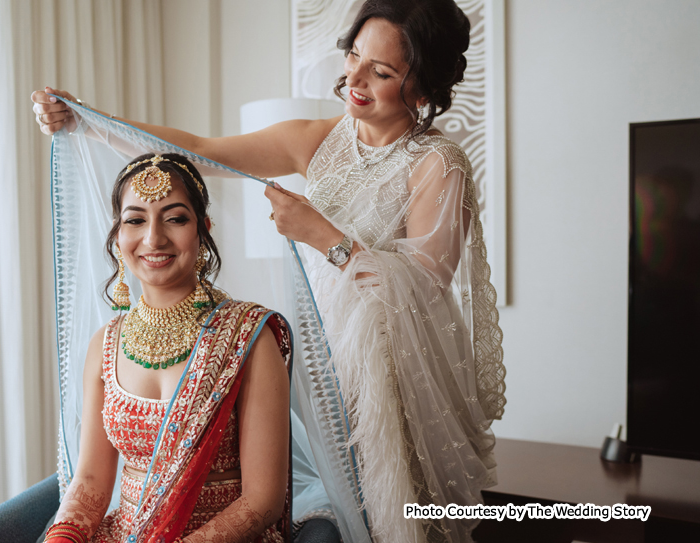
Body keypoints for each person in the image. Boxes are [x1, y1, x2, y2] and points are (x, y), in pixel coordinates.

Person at [33, 1, 505, 541]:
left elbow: (423, 289)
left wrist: (321, 235)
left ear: (421, 89)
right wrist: (88, 120)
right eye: (353, 56)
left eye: (381, 72)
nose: (354, 78)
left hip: (395, 374)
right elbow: (197, 150)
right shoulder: (317, 139)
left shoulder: (438, 163)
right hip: (321, 362)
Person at [42, 153, 292, 543]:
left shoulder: (248, 336)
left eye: (175, 218)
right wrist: (64, 537)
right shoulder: (105, 344)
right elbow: (91, 480)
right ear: (118, 235)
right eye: (135, 220)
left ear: (203, 229)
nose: (153, 238)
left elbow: (262, 502)